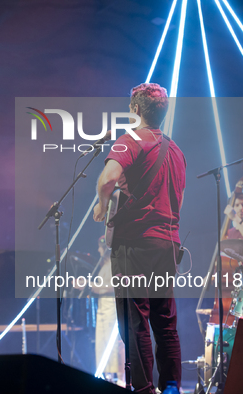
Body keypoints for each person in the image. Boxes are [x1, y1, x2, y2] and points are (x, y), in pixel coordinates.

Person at [93, 83, 186, 393]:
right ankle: (171, 387)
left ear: (134, 110)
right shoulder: (176, 150)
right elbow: (177, 199)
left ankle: (143, 390)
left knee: (136, 322)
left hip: (136, 243)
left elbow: (107, 179)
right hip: (168, 244)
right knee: (165, 322)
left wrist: (102, 203)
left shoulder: (130, 139)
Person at [93, 236, 125, 386]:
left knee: (113, 344)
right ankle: (106, 376)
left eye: (100, 247)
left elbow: (115, 285)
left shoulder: (114, 264)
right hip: (102, 308)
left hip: (111, 306)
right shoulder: (103, 266)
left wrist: (93, 287)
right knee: (102, 342)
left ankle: (118, 378)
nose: (98, 250)